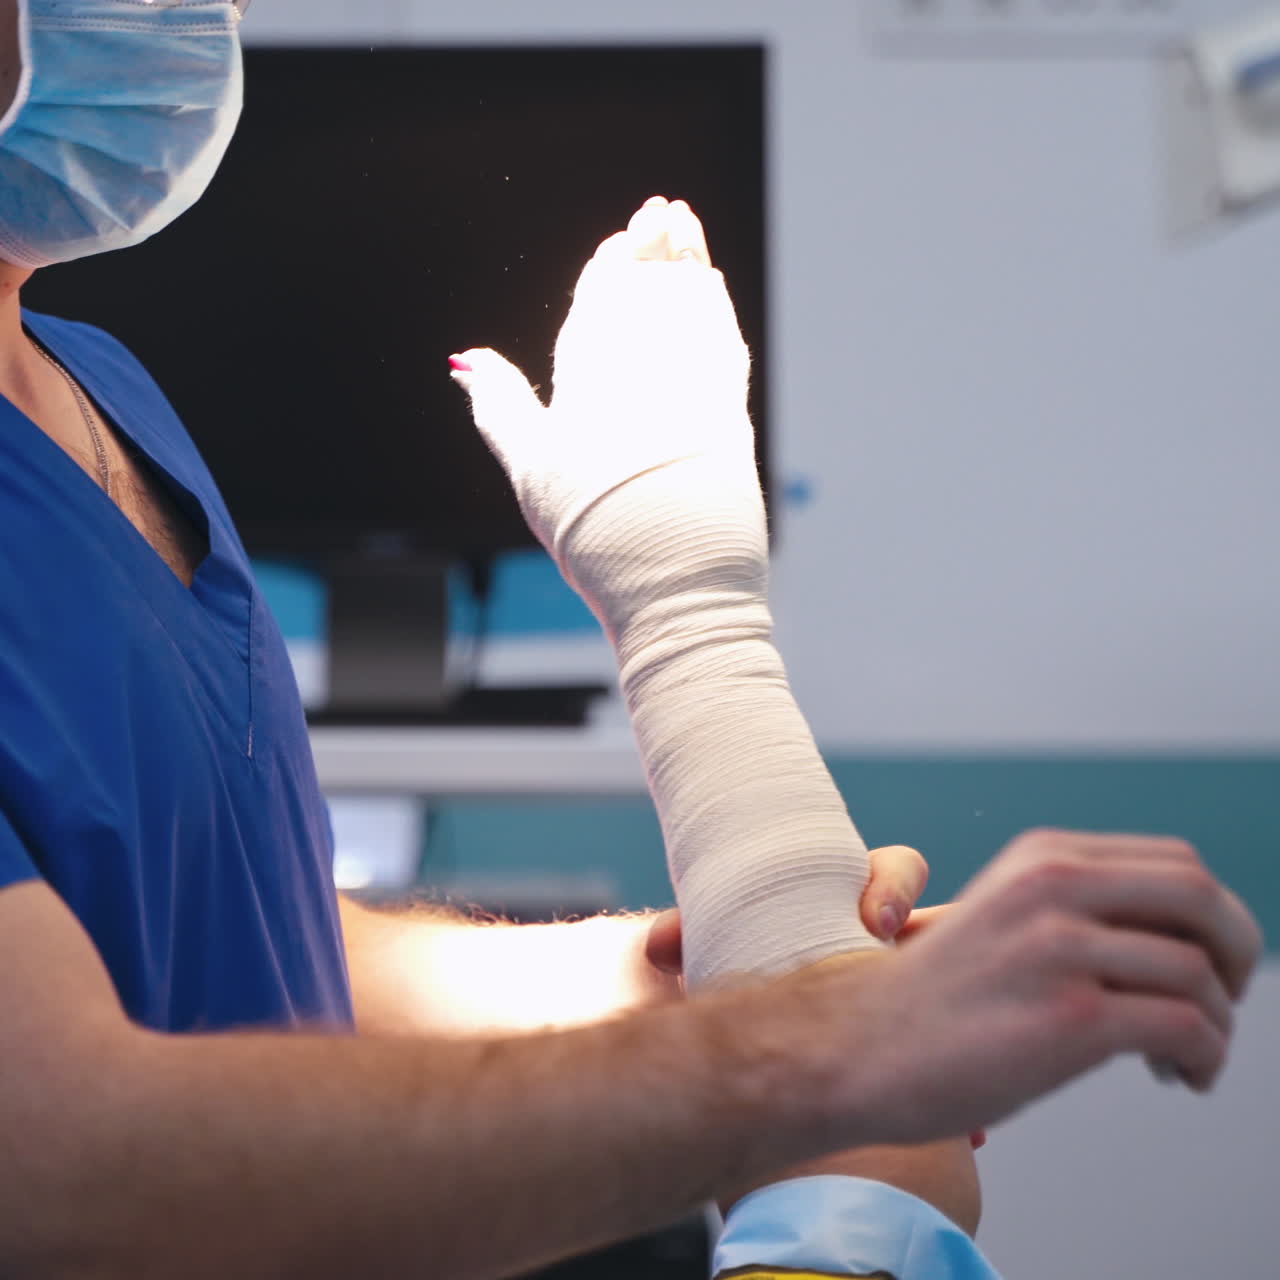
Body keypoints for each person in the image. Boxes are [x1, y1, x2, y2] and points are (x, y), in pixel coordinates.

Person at [0, 2, 1262, 1277]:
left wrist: (691, 973)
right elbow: (65, 1173)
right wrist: (803, 1056)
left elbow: (231, 946)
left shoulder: (94, 382)